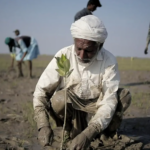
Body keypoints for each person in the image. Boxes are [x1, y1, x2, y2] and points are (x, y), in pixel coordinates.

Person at [33, 15, 131, 149]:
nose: (81, 55)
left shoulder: (109, 61)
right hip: (72, 106)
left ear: (100, 45)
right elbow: (41, 92)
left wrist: (89, 133)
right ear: (74, 41)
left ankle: (105, 133)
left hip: (96, 106)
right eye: (78, 48)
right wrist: (42, 125)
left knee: (123, 96)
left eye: (88, 51)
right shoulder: (64, 55)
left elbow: (108, 101)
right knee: (59, 99)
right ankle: (67, 130)